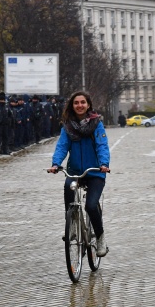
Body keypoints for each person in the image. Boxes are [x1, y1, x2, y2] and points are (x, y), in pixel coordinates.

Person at [48, 91, 111, 257]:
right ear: (72, 105)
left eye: (83, 102)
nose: (80, 105)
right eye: (76, 103)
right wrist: (56, 164)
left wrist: (104, 164)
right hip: (75, 171)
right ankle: (73, 226)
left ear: (88, 104)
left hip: (95, 172)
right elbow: (62, 146)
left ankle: (100, 238)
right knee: (68, 188)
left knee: (91, 205)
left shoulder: (96, 124)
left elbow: (102, 146)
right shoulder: (67, 126)